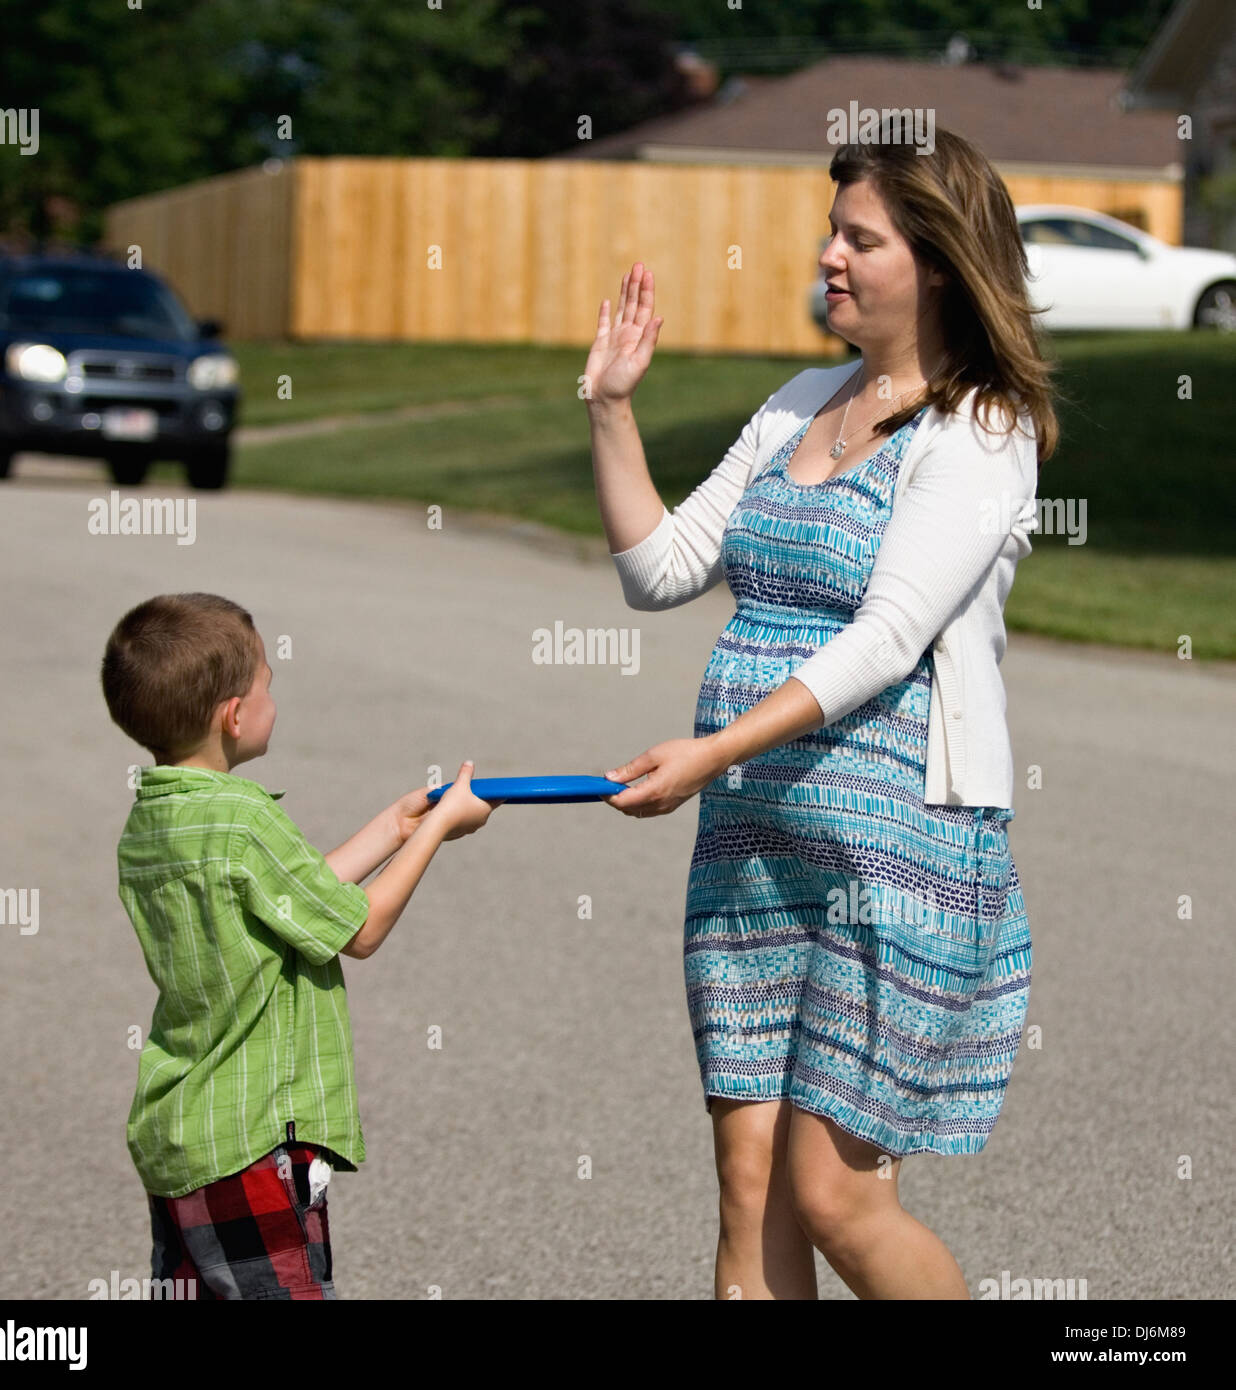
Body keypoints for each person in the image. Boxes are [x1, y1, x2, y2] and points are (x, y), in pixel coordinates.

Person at [585, 124, 1058, 1300]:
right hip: (754, 840)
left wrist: (709, 751)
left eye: (862, 237)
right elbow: (659, 569)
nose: (829, 256)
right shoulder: (799, 402)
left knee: (835, 1196)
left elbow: (886, 639)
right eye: (829, 233)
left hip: (896, 847)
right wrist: (610, 410)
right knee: (748, 1198)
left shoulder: (979, 430)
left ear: (937, 262)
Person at [100, 591, 501, 1299]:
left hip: (184, 1131)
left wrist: (395, 827)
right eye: (266, 686)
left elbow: (298, 897)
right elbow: (361, 928)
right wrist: (439, 834)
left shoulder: (155, 821)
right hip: (252, 1144)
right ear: (233, 714)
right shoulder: (244, 818)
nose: (273, 700)